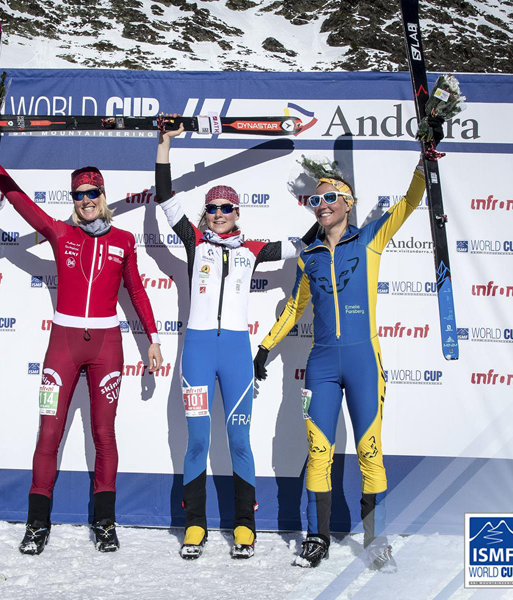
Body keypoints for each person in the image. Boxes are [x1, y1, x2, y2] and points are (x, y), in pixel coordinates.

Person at [0, 130, 163, 555]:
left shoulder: (124, 241)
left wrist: (152, 338)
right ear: (72, 199)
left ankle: (105, 522)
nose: (85, 200)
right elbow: (20, 203)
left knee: (104, 434)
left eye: (92, 192)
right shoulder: (59, 233)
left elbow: (138, 291)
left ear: (103, 194)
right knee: (48, 433)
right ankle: (37, 524)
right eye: (78, 194)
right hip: (63, 342)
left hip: (108, 343)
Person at [254, 153, 429, 570]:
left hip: (364, 361)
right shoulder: (309, 254)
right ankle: (317, 539)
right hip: (322, 365)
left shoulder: (370, 238)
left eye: (331, 197)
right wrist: (264, 347)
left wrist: (424, 164)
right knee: (319, 453)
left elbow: (408, 202)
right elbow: (295, 308)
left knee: (371, 450)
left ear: (348, 203)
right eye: (316, 200)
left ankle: (375, 540)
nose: (324, 204)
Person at [155, 118, 318, 560]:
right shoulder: (194, 243)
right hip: (198, 352)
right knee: (198, 442)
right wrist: (164, 147)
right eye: (214, 208)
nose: (220, 214)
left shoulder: (251, 249)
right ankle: (195, 526)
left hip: (235, 353)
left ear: (238, 213)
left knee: (240, 442)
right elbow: (165, 199)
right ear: (205, 213)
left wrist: (320, 205)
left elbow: (300, 245)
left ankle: (245, 524)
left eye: (227, 208)